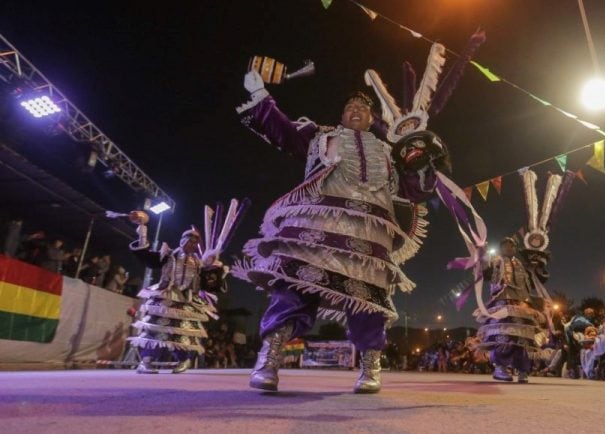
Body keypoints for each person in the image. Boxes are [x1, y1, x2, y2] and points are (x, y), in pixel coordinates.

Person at [233, 69, 438, 393]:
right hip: (316, 225)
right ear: (342, 116)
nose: (356, 110)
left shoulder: (388, 152)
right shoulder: (320, 137)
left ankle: (370, 366)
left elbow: (415, 190)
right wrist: (261, 96)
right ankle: (269, 359)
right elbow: (283, 132)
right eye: (350, 107)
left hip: (369, 234)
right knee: (293, 288)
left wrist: (420, 158)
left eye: (363, 108)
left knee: (368, 300)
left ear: (372, 119)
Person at [127, 214, 226, 374]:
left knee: (183, 332)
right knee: (158, 329)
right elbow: (147, 257)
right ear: (182, 240)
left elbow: (209, 285)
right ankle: (147, 360)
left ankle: (184, 359)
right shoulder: (168, 255)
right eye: (189, 240)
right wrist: (142, 230)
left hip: (187, 300)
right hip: (166, 296)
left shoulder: (200, 263)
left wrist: (216, 270)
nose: (191, 244)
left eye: (195, 242)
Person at [474, 237, 548, 384]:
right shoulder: (495, 261)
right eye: (506, 245)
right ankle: (500, 367)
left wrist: (539, 264)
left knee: (522, 339)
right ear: (501, 248)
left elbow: (535, 282)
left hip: (522, 305)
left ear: (516, 248)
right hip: (502, 303)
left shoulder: (521, 265)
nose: (509, 247)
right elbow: (484, 270)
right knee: (504, 335)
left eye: (512, 245)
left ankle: (522, 369)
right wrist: (481, 252)